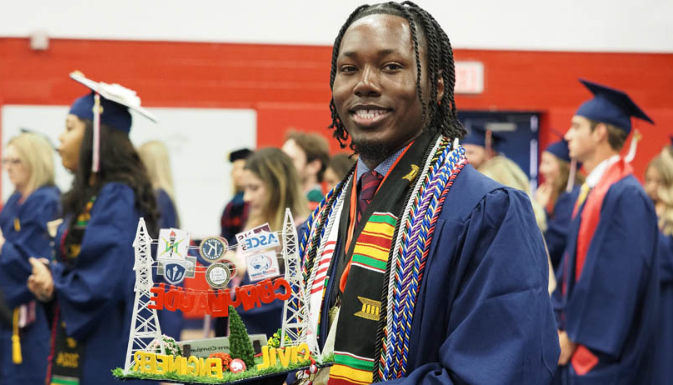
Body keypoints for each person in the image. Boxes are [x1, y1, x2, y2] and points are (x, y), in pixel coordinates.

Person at [296, 2, 559, 384]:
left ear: (436, 87)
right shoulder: (326, 218)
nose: (364, 83)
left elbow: (497, 373)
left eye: (391, 67)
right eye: (348, 69)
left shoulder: (490, 214)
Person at [26, 72, 158, 385]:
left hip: (110, 344)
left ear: (96, 138)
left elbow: (101, 281)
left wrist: (54, 278)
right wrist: (50, 280)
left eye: (70, 128)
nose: (59, 137)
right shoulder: (95, 196)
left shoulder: (117, 195)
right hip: (90, 339)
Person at [553, 79, 657, 384]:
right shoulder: (595, 190)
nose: (568, 135)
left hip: (600, 356)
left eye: (577, 126)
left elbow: (616, 282)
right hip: (577, 339)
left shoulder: (625, 195)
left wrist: (574, 336)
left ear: (600, 132)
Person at [227, 148, 308, 340]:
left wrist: (243, 272)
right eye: (245, 188)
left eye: (254, 188)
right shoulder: (254, 225)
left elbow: (287, 298)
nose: (246, 197)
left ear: (277, 187)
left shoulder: (299, 231)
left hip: (275, 346)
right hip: (242, 338)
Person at [0, 132, 60, 384]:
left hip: (30, 318)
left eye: (16, 161)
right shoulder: (14, 200)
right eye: (5, 161)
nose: (8, 169)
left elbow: (35, 264)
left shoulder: (47, 201)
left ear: (34, 161)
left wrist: (3, 247)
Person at [138, 140, 183, 341]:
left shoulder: (158, 200)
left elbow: (166, 255)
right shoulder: (165, 198)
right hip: (168, 282)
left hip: (161, 287)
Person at [644, 146, 673, 384]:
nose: (652, 187)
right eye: (649, 180)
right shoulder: (643, 211)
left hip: (667, 301)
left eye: (659, 181)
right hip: (646, 299)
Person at [535, 140, 584, 271]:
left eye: (547, 163)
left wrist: (540, 210)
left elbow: (552, 247)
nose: (541, 169)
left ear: (566, 166)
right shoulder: (571, 194)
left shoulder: (571, 198)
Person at [282, 131, 330, 211]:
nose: (282, 165)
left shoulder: (319, 208)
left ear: (313, 166)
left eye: (290, 160)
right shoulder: (285, 202)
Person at [220, 148, 251, 245]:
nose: (238, 174)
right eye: (235, 169)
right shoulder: (230, 206)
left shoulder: (257, 203)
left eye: (243, 168)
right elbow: (225, 235)